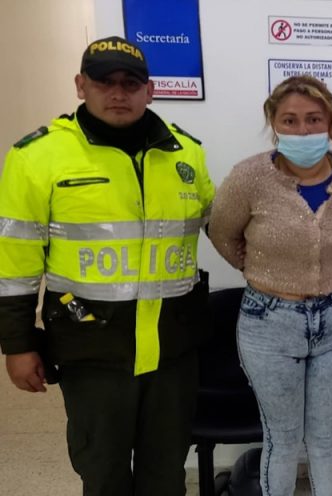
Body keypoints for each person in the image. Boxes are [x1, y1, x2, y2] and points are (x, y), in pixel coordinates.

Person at [0, 36, 214, 495]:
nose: (118, 93)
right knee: (103, 475)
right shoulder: (36, 156)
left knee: (166, 477)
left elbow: (223, 224)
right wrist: (16, 344)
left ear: (149, 90)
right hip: (92, 346)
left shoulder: (186, 153)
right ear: (81, 85)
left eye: (130, 83)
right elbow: (14, 262)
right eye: (104, 82)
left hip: (172, 348)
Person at [208, 74, 332, 496]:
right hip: (269, 322)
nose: (303, 130)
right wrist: (263, 271)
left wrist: (322, 267)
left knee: (325, 434)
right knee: (281, 438)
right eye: (290, 120)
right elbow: (221, 233)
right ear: (274, 124)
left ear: (330, 122)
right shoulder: (248, 177)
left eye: (314, 119)